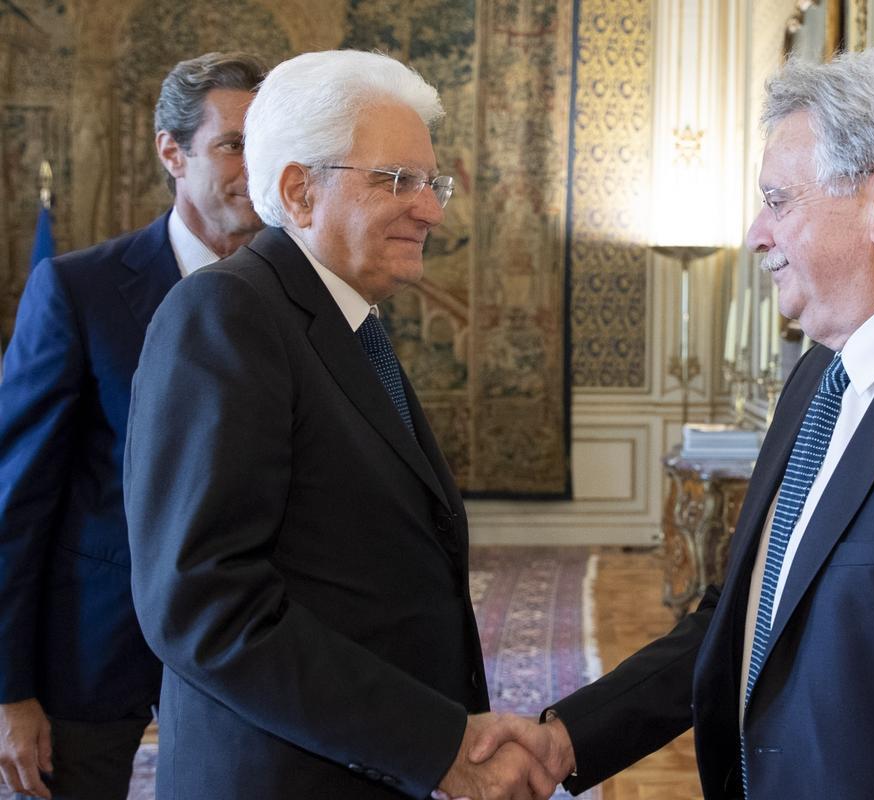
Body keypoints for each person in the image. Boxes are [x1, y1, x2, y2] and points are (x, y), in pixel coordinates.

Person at [473, 45, 874, 798]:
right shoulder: (819, 374)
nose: (757, 233)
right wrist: (568, 739)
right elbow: (746, 620)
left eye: (779, 200)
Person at [123, 50, 555, 800]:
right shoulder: (226, 315)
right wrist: (434, 744)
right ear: (299, 191)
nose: (431, 209)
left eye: (432, 182)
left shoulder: (349, 322)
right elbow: (204, 605)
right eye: (397, 181)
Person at [0, 51, 266, 799]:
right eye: (234, 144)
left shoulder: (300, 298)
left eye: (269, 143)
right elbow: (15, 502)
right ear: (171, 151)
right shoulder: (77, 291)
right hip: (94, 650)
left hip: (246, 654)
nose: (257, 164)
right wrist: (8, 690)